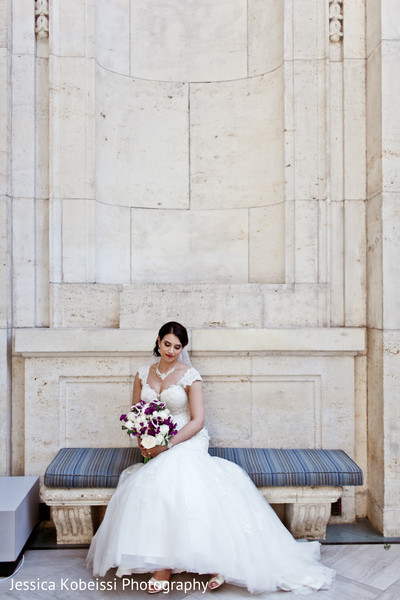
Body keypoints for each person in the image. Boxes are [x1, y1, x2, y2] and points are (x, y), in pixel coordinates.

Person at [86, 321, 335, 595]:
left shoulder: (190, 375)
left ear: (183, 348)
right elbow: (135, 413)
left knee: (175, 476)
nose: (171, 350)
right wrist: (144, 441)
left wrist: (166, 446)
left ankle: (213, 562)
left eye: (178, 347)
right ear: (158, 341)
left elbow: (198, 421)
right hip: (155, 443)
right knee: (150, 483)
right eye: (167, 344)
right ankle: (164, 563)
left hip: (187, 439)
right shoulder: (142, 374)